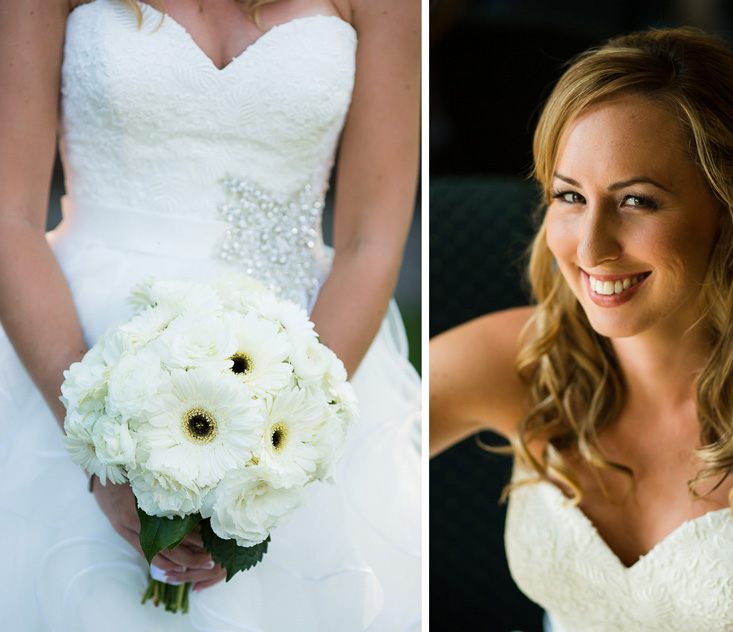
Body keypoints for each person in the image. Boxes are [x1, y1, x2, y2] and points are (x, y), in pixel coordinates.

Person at [0, 0, 421, 629]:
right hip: (71, 346)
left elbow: (371, 243)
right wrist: (100, 450)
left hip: (298, 351)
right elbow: (9, 218)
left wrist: (283, 445)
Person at [431, 27, 733, 631]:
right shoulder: (518, 359)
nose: (592, 248)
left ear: (731, 210)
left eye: (637, 201)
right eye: (570, 196)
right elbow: (322, 440)